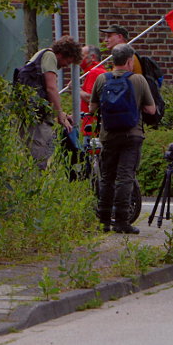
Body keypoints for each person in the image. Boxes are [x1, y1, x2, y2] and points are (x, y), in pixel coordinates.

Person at [90, 43, 155, 234]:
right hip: (131, 135)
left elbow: (92, 109)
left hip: (108, 136)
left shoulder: (102, 79)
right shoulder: (138, 80)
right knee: (125, 178)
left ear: (113, 61)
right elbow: (151, 109)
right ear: (129, 61)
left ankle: (103, 221)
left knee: (107, 178)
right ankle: (121, 221)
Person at [21, 36, 82, 170]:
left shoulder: (41, 56)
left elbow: (42, 95)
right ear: (62, 54)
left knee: (39, 157)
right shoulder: (50, 57)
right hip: (36, 121)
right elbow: (51, 88)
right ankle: (34, 185)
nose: (66, 65)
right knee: (37, 160)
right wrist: (59, 115)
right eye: (68, 61)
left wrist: (62, 113)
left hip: (33, 115)